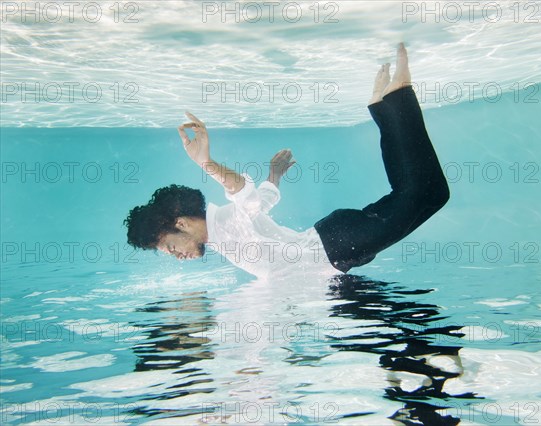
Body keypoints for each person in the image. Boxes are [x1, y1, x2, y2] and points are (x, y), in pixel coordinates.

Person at [124, 43, 450, 277]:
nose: (175, 257)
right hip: (336, 245)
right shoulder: (225, 233)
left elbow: (241, 193)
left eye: (169, 247)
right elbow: (259, 202)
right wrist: (274, 176)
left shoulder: (224, 226)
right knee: (413, 193)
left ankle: (397, 97)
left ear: (180, 224)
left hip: (336, 245)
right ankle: (386, 105)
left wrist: (206, 163)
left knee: (429, 193)